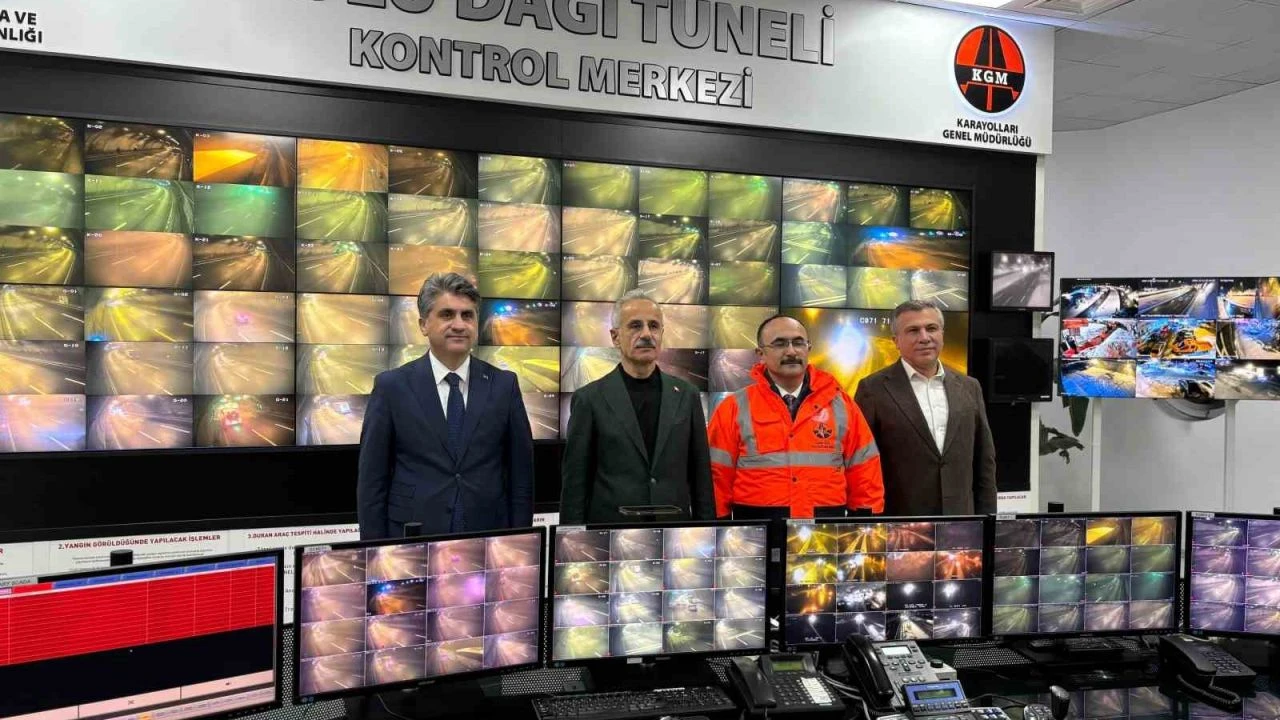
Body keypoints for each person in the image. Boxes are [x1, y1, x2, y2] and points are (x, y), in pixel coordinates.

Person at [357, 272, 533, 539]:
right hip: (412, 539)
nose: (459, 325)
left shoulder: (504, 385)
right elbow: (372, 481)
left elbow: (522, 478)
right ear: (423, 324)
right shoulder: (391, 387)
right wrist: (374, 551)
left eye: (467, 315)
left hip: (488, 538)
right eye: (447, 314)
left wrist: (520, 543)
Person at [560, 289, 715, 523]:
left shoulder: (687, 395)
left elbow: (701, 476)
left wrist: (707, 531)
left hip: (674, 532)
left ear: (662, 334)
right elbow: (575, 484)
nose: (646, 334)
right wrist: (571, 537)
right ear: (615, 337)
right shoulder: (589, 399)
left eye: (654, 326)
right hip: (612, 533)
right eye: (635, 326)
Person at [707, 314, 883, 520]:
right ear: (760, 353)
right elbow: (716, 476)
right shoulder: (733, 408)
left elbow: (865, 471)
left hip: (824, 531)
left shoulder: (842, 405)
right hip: (758, 531)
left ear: (809, 348)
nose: (791, 351)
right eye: (780, 344)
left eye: (798, 343)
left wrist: (863, 525)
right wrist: (718, 527)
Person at [854, 300, 997, 516]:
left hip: (962, 521)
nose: (924, 337)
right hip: (900, 522)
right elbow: (862, 465)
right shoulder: (872, 389)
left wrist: (988, 520)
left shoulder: (970, 387)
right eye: (913, 330)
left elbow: (984, 461)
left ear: (942, 334)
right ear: (896, 341)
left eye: (931, 328)